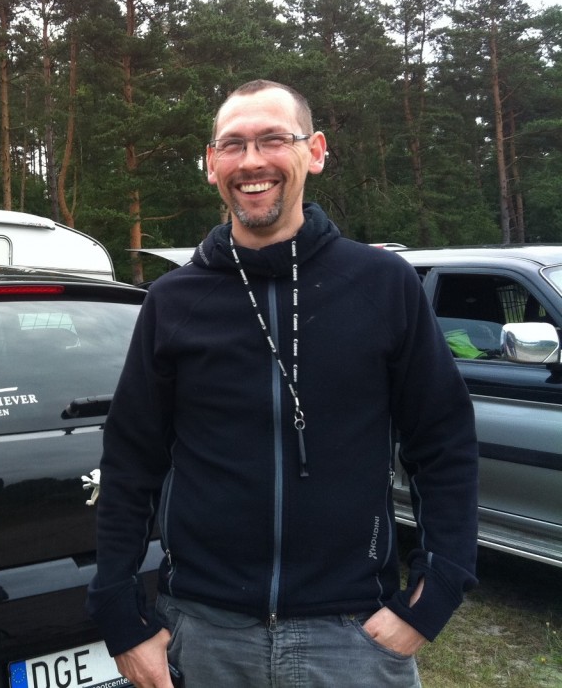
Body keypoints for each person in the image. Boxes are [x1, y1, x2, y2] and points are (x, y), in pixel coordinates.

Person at [86, 80, 478, 687]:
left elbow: (443, 442)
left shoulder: (382, 285)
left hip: (352, 635)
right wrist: (120, 614)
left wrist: (433, 596)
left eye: (274, 139)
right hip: (205, 633)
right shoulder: (173, 301)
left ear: (314, 152)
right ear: (212, 163)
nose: (252, 161)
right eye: (233, 145)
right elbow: (131, 459)